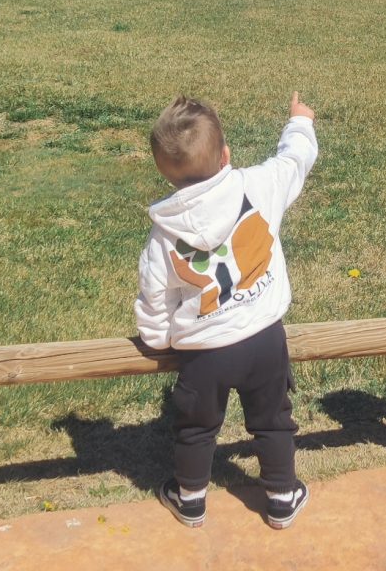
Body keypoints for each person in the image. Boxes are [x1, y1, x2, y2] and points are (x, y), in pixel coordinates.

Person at [136, 92, 318, 530]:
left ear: (164, 173)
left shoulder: (163, 237)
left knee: (197, 428)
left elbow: (155, 297)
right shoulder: (258, 185)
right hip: (264, 338)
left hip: (204, 351)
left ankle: (190, 498)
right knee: (273, 421)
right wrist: (300, 122)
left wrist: (159, 340)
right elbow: (295, 160)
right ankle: (281, 497)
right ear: (226, 155)